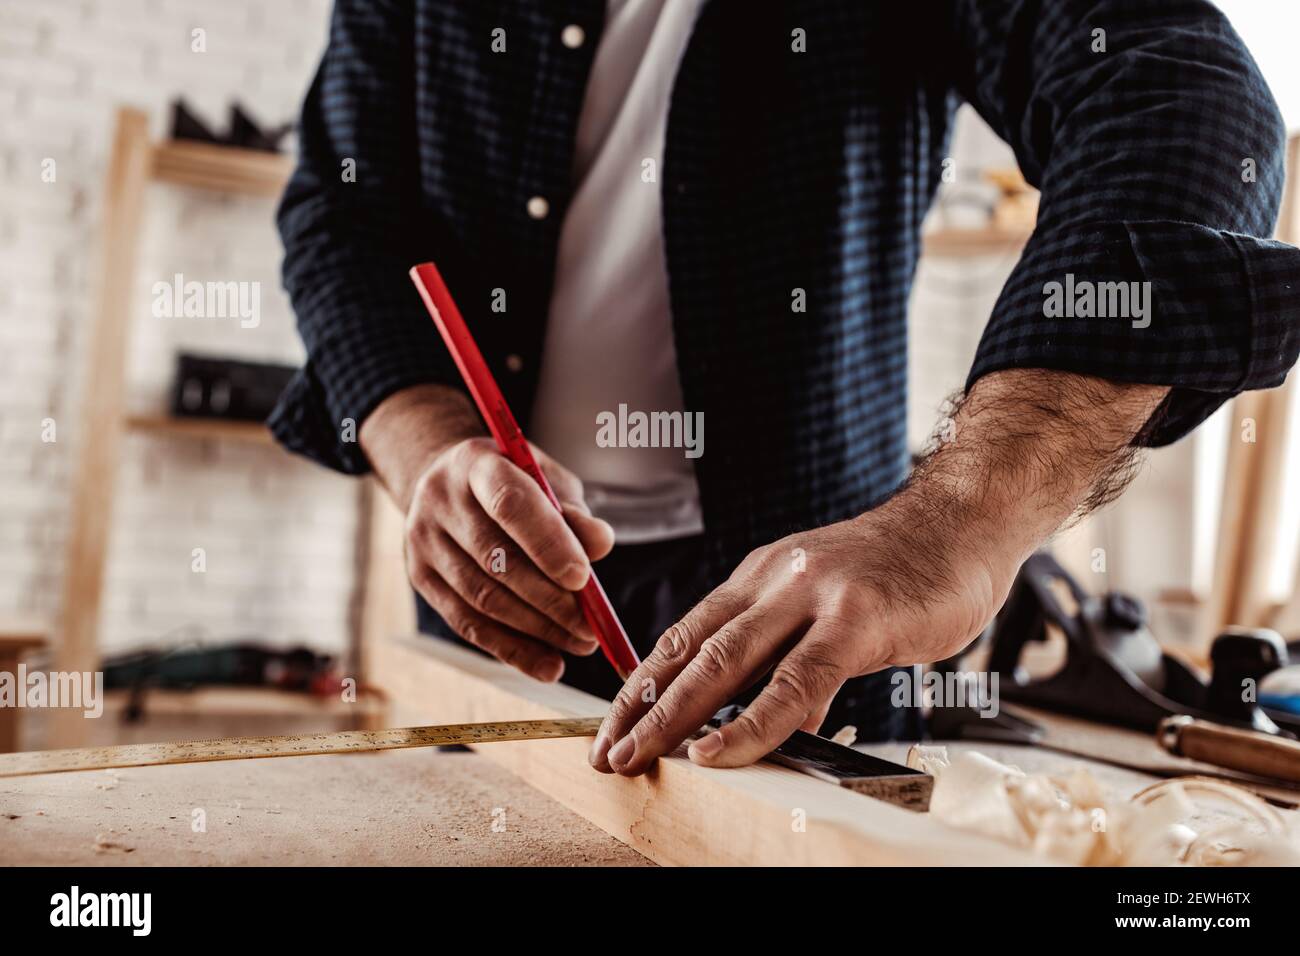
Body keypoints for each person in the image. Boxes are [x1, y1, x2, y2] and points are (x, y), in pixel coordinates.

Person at [271, 0, 1300, 777]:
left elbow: (1180, 98)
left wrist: (960, 517)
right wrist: (427, 444)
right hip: (501, 590)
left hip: (817, 602)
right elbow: (339, 211)